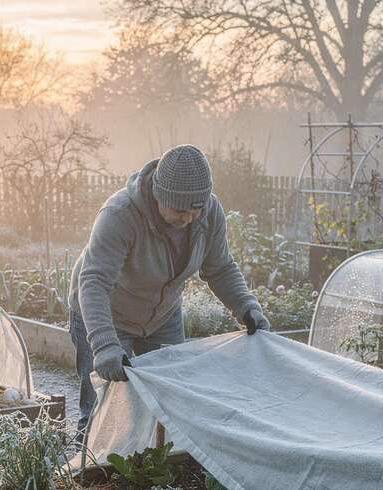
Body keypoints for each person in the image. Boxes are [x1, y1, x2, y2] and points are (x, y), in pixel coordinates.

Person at [68, 144, 269, 430]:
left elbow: (220, 268)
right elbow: (94, 282)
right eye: (179, 210)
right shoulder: (120, 214)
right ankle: (88, 468)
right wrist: (104, 344)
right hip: (106, 313)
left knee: (172, 397)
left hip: (162, 316)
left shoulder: (209, 214)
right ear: (159, 196)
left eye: (196, 209)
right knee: (102, 409)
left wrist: (246, 307)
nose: (188, 218)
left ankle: (158, 469)